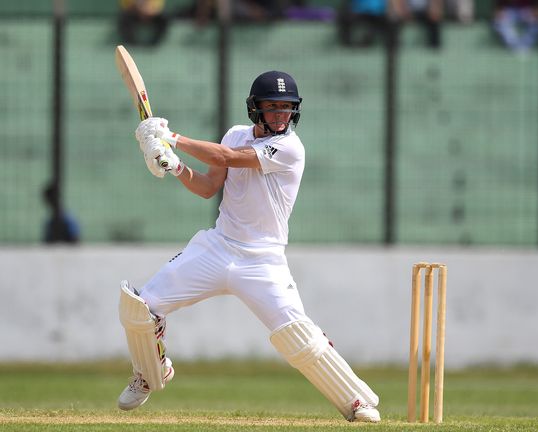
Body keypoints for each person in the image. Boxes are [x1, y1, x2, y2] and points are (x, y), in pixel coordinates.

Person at [116, 71, 381, 423]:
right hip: (217, 247)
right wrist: (174, 164)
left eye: (286, 108)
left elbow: (227, 158)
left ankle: (357, 400)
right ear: (255, 109)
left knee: (297, 334)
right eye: (272, 107)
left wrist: (172, 138)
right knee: (141, 307)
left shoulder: (290, 148)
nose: (280, 115)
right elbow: (209, 187)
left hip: (264, 261)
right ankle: (151, 372)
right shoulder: (236, 134)